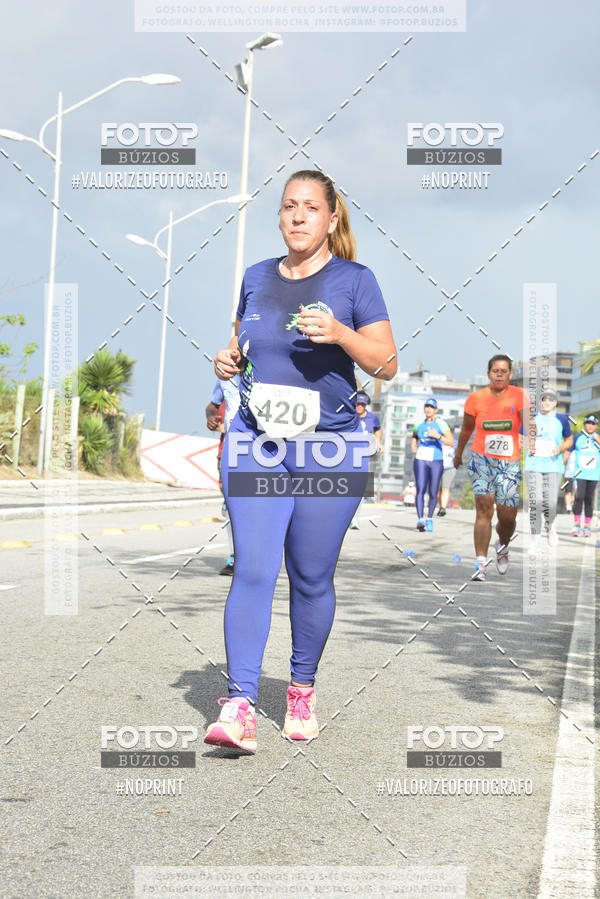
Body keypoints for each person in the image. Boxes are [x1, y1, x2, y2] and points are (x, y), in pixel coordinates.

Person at [204, 169, 396, 752]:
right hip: (256, 442)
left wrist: (340, 333)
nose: (298, 216)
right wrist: (224, 367)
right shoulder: (256, 277)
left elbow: (386, 364)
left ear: (331, 219)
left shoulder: (355, 281)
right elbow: (243, 343)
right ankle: (238, 704)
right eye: (289, 206)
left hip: (331, 449)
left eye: (311, 208)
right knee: (255, 568)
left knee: (311, 577)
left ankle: (301, 690)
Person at [454, 355, 533, 581]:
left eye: (504, 371)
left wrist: (533, 440)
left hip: (509, 461)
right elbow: (467, 430)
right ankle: (480, 563)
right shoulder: (476, 398)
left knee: (507, 516)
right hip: (481, 459)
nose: (499, 374)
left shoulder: (519, 395)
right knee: (484, 509)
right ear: (488, 373)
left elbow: (528, 423)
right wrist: (459, 452)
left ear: (510, 374)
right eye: (495, 371)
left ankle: (503, 543)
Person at [524, 388, 572, 551]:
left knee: (551, 503)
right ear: (540, 402)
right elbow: (519, 437)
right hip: (533, 465)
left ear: (556, 402)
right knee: (536, 501)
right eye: (544, 399)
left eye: (550, 399)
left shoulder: (562, 420)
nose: (546, 402)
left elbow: (569, 440)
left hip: (554, 466)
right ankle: (535, 540)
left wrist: (560, 448)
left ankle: (550, 527)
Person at [206, 376, 240, 575]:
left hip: (262, 452)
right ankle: (235, 556)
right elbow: (212, 405)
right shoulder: (227, 377)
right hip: (227, 452)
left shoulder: (267, 370)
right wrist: (210, 418)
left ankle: (256, 554)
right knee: (231, 506)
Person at [411, 398, 454, 531]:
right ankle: (420, 519)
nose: (429, 409)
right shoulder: (418, 424)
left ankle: (429, 518)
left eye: (431, 407)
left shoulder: (441, 424)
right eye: (427, 407)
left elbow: (451, 442)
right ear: (424, 409)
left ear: (436, 410)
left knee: (433, 490)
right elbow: (415, 437)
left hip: (436, 458)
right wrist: (413, 446)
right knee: (420, 488)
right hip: (421, 457)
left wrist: (438, 436)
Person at [350, 391, 382, 528]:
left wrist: (378, 442)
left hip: (363, 457)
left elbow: (378, 429)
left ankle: (355, 519)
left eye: (362, 404)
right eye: (357, 404)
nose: (359, 407)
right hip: (346, 455)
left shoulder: (373, 418)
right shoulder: (349, 416)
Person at [570, 414, 600, 537]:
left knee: (589, 500)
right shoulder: (577, 437)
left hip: (594, 475)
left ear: (596, 426)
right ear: (584, 424)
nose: (590, 426)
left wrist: (598, 440)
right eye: (588, 423)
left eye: (593, 424)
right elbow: (568, 449)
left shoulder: (598, 437)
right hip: (580, 474)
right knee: (579, 497)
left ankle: (587, 527)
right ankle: (577, 525)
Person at [438, 430, 457, 516]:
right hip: (437, 467)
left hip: (450, 468)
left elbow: (458, 453)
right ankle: (441, 506)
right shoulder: (437, 441)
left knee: (445, 488)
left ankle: (443, 508)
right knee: (439, 489)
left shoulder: (455, 442)